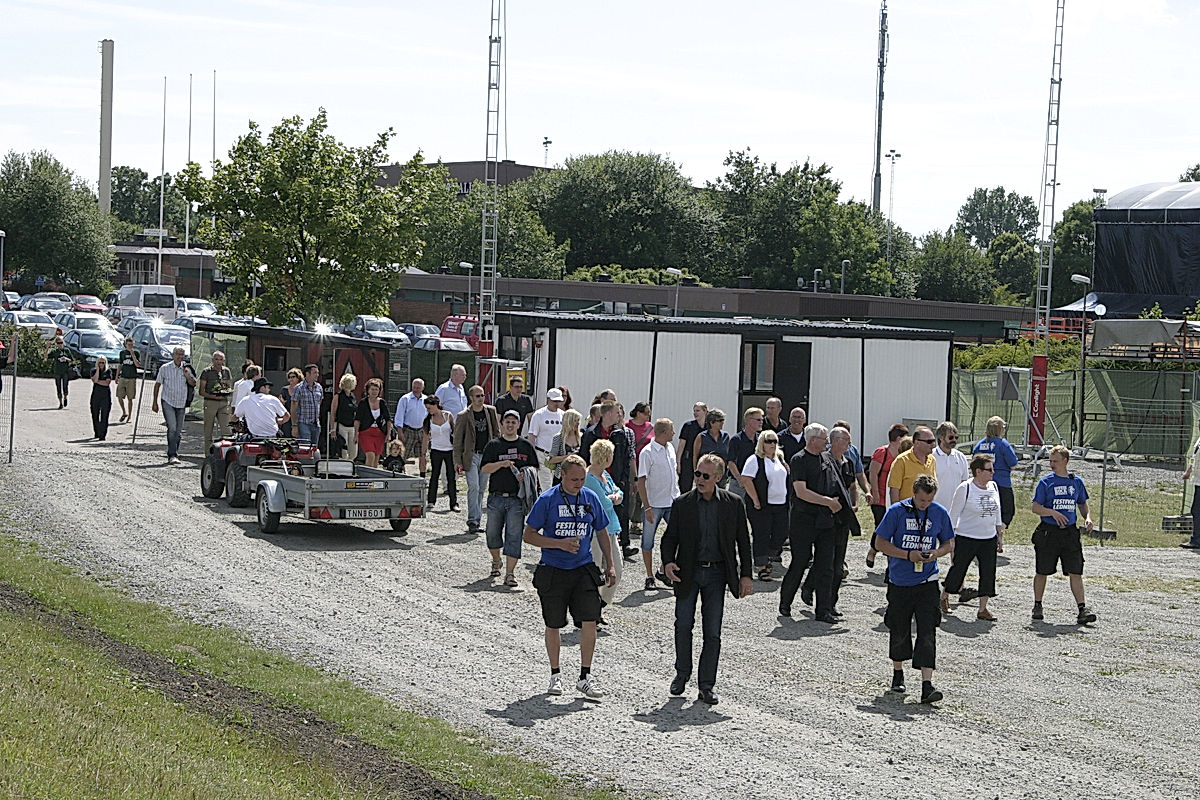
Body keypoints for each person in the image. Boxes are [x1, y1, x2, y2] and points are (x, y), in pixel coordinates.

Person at [661, 453, 753, 705]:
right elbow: (669, 538)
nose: (699, 479)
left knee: (712, 632)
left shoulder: (733, 504)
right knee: (683, 625)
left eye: (705, 476)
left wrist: (746, 575)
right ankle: (682, 673)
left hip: (717, 574)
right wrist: (668, 562)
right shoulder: (682, 504)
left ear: (718, 478)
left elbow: (743, 542)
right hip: (688, 573)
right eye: (697, 474)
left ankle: (706, 685)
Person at [523, 454, 616, 700]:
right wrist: (559, 544)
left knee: (589, 620)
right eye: (574, 479)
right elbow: (529, 535)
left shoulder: (590, 497)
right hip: (553, 569)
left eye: (582, 479)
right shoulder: (547, 500)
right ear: (562, 475)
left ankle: (585, 677)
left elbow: (602, 530)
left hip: (583, 568)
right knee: (554, 623)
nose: (579, 484)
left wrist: (610, 565)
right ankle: (555, 674)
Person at [872, 474, 955, 704]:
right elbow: (880, 543)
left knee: (928, 630)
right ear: (913, 494)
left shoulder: (939, 512)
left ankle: (927, 685)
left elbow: (948, 542)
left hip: (927, 581)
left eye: (928, 500)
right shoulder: (897, 512)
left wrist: (936, 553)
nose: (924, 504)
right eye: (921, 500)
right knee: (899, 628)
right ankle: (898, 674)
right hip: (900, 581)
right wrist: (907, 555)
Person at [779, 423, 843, 624]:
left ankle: (823, 610)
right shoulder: (799, 460)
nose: (827, 442)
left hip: (825, 521)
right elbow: (801, 492)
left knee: (826, 566)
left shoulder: (827, 459)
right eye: (824, 439)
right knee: (800, 561)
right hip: (803, 520)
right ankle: (785, 602)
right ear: (813, 440)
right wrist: (827, 501)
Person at [1031, 445, 1097, 625]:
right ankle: (1037, 605)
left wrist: (1088, 518)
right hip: (1049, 532)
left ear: (1065, 461)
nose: (1052, 464)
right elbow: (1035, 507)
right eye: (1050, 461)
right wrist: (1052, 513)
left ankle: (1082, 609)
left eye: (1055, 461)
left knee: (1075, 570)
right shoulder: (1046, 482)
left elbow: (1082, 504)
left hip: (1069, 533)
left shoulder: (1076, 482)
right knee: (1042, 570)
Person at [802, 426, 859, 615]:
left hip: (843, 519)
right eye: (846, 440)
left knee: (838, 566)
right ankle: (811, 588)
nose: (849, 443)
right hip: (827, 518)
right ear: (835, 441)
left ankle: (831, 603)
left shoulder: (848, 463)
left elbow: (852, 486)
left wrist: (854, 503)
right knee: (825, 561)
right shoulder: (824, 461)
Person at [942, 453, 1003, 620]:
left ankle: (983, 608)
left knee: (988, 572)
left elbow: (997, 511)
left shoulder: (993, 486)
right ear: (978, 471)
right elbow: (953, 515)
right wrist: (951, 539)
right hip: (966, 537)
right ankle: (945, 596)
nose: (992, 473)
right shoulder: (965, 488)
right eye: (989, 470)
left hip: (988, 537)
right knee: (959, 569)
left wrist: (999, 534)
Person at [481, 410, 538, 585]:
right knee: (492, 533)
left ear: (519, 425)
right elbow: (484, 468)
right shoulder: (494, 445)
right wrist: (501, 464)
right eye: (507, 422)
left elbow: (535, 468)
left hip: (516, 499)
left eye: (514, 422)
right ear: (502, 424)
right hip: (496, 497)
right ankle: (496, 560)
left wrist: (525, 474)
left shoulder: (526, 445)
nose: (510, 425)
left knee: (514, 535)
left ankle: (510, 573)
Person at [581, 402, 637, 560]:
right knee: (598, 510)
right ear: (607, 414)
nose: (619, 415)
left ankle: (623, 544)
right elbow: (583, 456)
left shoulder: (620, 434)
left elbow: (626, 457)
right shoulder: (591, 433)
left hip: (614, 480)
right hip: (594, 479)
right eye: (617, 412)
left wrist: (625, 479)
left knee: (621, 512)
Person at [740, 429, 789, 581]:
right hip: (761, 505)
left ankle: (768, 555)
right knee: (761, 534)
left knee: (781, 532)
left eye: (774, 441)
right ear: (762, 443)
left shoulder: (780, 459)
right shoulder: (754, 460)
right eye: (768, 441)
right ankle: (762, 567)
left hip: (780, 504)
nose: (772, 444)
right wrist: (755, 500)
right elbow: (746, 480)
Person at [637, 417, 680, 590]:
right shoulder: (647, 452)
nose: (674, 433)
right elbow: (641, 481)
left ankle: (662, 570)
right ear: (664, 432)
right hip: (654, 504)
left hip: (672, 502)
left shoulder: (670, 448)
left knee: (680, 536)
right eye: (671, 430)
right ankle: (649, 576)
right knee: (648, 542)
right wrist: (647, 507)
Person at [585, 439, 624, 616]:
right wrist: (613, 498)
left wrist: (615, 497)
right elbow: (603, 504)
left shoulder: (605, 475)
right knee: (595, 571)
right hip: (594, 532)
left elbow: (619, 493)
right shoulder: (589, 479)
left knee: (617, 569)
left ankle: (600, 604)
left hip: (611, 528)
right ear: (607, 458)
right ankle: (591, 610)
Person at [452, 385, 498, 534]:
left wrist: (497, 455)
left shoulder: (490, 411)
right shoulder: (463, 415)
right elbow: (457, 441)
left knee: (482, 489)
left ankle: (476, 521)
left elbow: (496, 434)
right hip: (471, 456)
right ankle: (472, 520)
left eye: (482, 395)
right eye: (477, 396)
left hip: (487, 456)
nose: (481, 398)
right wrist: (457, 461)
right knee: (474, 487)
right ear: (471, 398)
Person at [866, 423, 909, 567]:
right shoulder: (882, 452)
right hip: (880, 498)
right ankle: (873, 552)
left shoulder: (904, 454)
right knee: (881, 527)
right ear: (898, 438)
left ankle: (888, 560)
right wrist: (875, 493)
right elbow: (873, 473)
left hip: (895, 497)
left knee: (893, 529)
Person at [973, 416, 1019, 532]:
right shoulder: (1003, 444)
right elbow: (1013, 464)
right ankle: (998, 532)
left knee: (985, 510)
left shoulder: (979, 445)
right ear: (999, 429)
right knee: (1007, 512)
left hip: (982, 484)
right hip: (1002, 484)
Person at [151, 347, 196, 464]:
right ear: (173, 355)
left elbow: (193, 383)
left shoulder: (187, 368)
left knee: (178, 431)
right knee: (172, 428)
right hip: (168, 401)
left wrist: (187, 375)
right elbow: (157, 385)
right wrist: (154, 402)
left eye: (182, 354)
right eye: (178, 354)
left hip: (181, 402)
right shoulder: (165, 368)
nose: (180, 357)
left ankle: (175, 452)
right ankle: (172, 454)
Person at [422, 395, 457, 510]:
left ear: (436, 405)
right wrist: (423, 455)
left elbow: (455, 432)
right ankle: (431, 500)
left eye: (429, 408)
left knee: (451, 476)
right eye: (427, 408)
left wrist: (458, 449)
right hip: (436, 450)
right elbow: (425, 438)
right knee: (434, 475)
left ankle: (453, 503)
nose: (428, 410)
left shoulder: (448, 415)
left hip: (449, 450)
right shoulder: (428, 420)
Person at [888, 425, 938, 504]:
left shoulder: (932, 460)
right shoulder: (901, 461)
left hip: (926, 509)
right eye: (929, 441)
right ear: (917, 442)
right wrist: (897, 511)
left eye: (934, 441)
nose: (933, 445)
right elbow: (894, 491)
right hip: (907, 509)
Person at [528, 387, 565, 490]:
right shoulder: (539, 415)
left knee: (559, 486)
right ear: (548, 399)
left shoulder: (563, 415)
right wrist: (532, 457)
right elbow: (532, 436)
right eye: (554, 401)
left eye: (559, 401)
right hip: (543, 454)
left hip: (558, 456)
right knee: (546, 486)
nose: (557, 404)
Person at [725, 407, 764, 501]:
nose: (761, 422)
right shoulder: (736, 439)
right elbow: (731, 462)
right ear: (749, 421)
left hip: (755, 483)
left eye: (762, 420)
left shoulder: (761, 440)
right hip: (738, 484)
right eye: (758, 420)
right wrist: (740, 479)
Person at [198, 350, 233, 451]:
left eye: (221, 359)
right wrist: (213, 396)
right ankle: (208, 454)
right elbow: (201, 391)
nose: (218, 362)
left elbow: (228, 387)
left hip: (223, 402)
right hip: (210, 402)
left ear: (224, 361)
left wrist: (227, 392)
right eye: (216, 359)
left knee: (227, 428)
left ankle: (226, 452)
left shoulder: (226, 371)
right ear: (213, 360)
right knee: (208, 429)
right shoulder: (206, 372)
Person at [353, 378, 391, 468]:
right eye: (372, 389)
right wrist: (356, 434)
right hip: (366, 432)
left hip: (379, 433)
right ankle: (367, 475)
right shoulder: (363, 403)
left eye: (376, 389)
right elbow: (357, 420)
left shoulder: (382, 403)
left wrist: (388, 434)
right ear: (368, 390)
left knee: (376, 458)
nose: (374, 392)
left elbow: (388, 419)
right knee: (370, 455)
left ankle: (373, 475)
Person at [394, 378, 429, 475]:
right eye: (414, 387)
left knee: (423, 455)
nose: (416, 389)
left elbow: (428, 416)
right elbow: (399, 416)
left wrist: (428, 432)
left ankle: (422, 476)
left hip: (422, 430)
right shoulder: (405, 399)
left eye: (418, 387)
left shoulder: (426, 400)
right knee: (402, 454)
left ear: (423, 388)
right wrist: (400, 432)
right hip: (408, 430)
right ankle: (399, 473)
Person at [932, 421, 970, 508]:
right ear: (941, 437)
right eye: (951, 437)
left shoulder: (961, 457)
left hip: (956, 509)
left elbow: (965, 483)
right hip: (935, 507)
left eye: (956, 437)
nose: (954, 440)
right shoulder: (931, 456)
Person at [676, 401, 708, 494]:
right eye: (694, 411)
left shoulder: (709, 427)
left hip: (703, 460)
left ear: (705, 411)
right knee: (685, 487)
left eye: (698, 411)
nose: (695, 413)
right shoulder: (688, 426)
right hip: (687, 459)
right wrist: (678, 462)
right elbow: (681, 445)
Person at [692, 408, 730, 483]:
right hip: (705, 477)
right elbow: (695, 457)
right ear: (712, 422)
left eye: (723, 420)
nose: (722, 423)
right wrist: (696, 474)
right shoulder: (701, 437)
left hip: (721, 477)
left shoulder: (726, 436)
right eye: (720, 421)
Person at [548, 408, 583, 486]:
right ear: (568, 421)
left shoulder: (581, 437)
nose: (577, 423)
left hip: (578, 474)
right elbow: (552, 459)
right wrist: (568, 457)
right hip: (562, 475)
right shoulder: (558, 438)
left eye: (578, 420)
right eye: (575, 420)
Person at [290, 364, 323, 446]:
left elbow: (319, 402)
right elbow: (293, 407)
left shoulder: (319, 387)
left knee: (314, 448)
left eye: (318, 373)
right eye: (315, 373)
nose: (317, 375)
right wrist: (294, 425)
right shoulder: (298, 388)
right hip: (303, 423)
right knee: (305, 447)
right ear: (307, 374)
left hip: (316, 424)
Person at [330, 374, 359, 461]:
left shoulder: (352, 397)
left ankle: (350, 463)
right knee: (343, 450)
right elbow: (333, 413)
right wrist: (333, 429)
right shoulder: (338, 396)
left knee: (353, 452)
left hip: (352, 426)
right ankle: (343, 464)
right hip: (341, 425)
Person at [1182, 418, 1200, 549]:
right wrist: (1189, 471)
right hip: (1198, 480)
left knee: (1197, 510)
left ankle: (1196, 539)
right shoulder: (1199, 440)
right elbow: (1194, 457)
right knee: (1195, 510)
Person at [115, 336, 140, 422]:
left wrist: (132, 354)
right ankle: (124, 412)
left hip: (131, 378)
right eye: (128, 345)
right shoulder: (122, 353)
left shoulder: (136, 353)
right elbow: (120, 365)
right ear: (125, 344)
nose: (130, 346)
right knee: (119, 396)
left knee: (130, 398)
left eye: (131, 345)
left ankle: (129, 416)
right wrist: (117, 376)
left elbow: (137, 365)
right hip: (123, 377)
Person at [89, 355, 114, 440]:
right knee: (95, 414)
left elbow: (107, 383)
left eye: (103, 362)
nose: (101, 364)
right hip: (96, 395)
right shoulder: (93, 371)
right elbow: (94, 380)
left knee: (105, 415)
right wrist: (97, 370)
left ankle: (102, 435)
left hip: (105, 395)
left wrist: (98, 381)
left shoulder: (108, 371)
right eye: (99, 362)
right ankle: (97, 432)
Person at [47, 335, 73, 409]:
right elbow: (46, 356)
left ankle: (65, 397)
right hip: (57, 371)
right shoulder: (55, 351)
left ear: (63, 343)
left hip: (65, 371)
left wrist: (66, 359)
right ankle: (60, 403)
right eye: (58, 343)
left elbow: (72, 359)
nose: (60, 344)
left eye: (61, 342)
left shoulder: (67, 350)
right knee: (58, 387)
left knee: (65, 386)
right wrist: (47, 348)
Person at [278, 367, 302, 438]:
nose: (291, 379)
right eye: (289, 377)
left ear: (298, 378)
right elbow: (280, 405)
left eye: (293, 377)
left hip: (299, 418)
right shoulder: (284, 390)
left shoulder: (302, 389)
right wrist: (281, 403)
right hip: (288, 418)